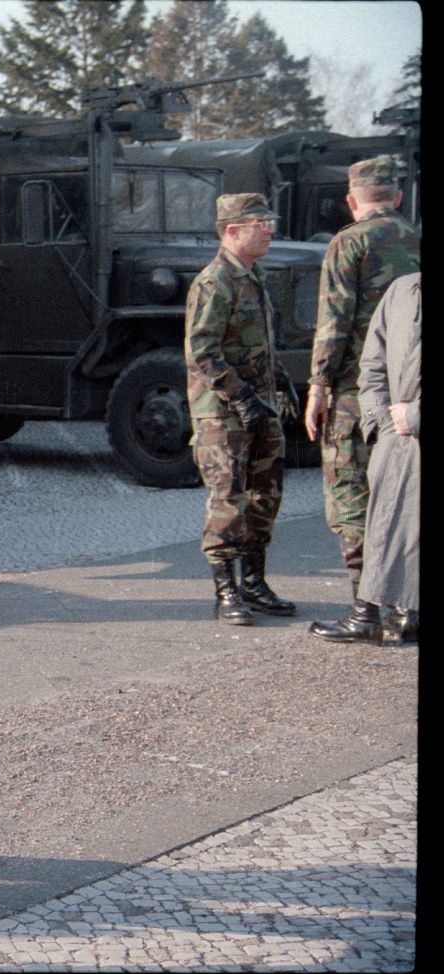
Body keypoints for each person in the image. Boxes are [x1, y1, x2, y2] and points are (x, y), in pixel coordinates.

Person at [304, 156, 420, 642]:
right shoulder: (414, 237)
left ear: (353, 201)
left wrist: (318, 386)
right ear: (396, 197)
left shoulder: (348, 242)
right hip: (408, 394)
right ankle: (406, 610)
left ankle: (364, 609)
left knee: (351, 500)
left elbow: (334, 323)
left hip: (358, 395)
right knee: (406, 500)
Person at [184, 192, 299, 626]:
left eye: (269, 220)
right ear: (233, 230)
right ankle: (226, 591)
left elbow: (258, 345)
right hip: (223, 411)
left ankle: (254, 583)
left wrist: (279, 384)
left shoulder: (255, 276)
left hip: (260, 405)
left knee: (264, 495)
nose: (270, 229)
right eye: (260, 222)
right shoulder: (214, 282)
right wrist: (241, 397)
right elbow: (202, 351)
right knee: (227, 498)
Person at [353, 273, 420, 643]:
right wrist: (382, 421)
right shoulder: (402, 290)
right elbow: (372, 362)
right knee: (392, 526)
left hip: (410, 424)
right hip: (397, 437)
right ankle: (395, 611)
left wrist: (413, 416)